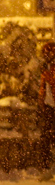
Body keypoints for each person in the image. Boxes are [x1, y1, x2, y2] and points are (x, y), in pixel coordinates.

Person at [37, 41, 55, 171]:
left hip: (51, 107)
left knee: (48, 136)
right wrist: (41, 101)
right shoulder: (47, 68)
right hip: (49, 107)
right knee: (46, 136)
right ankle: (46, 165)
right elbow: (43, 88)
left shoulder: (50, 70)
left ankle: (47, 164)